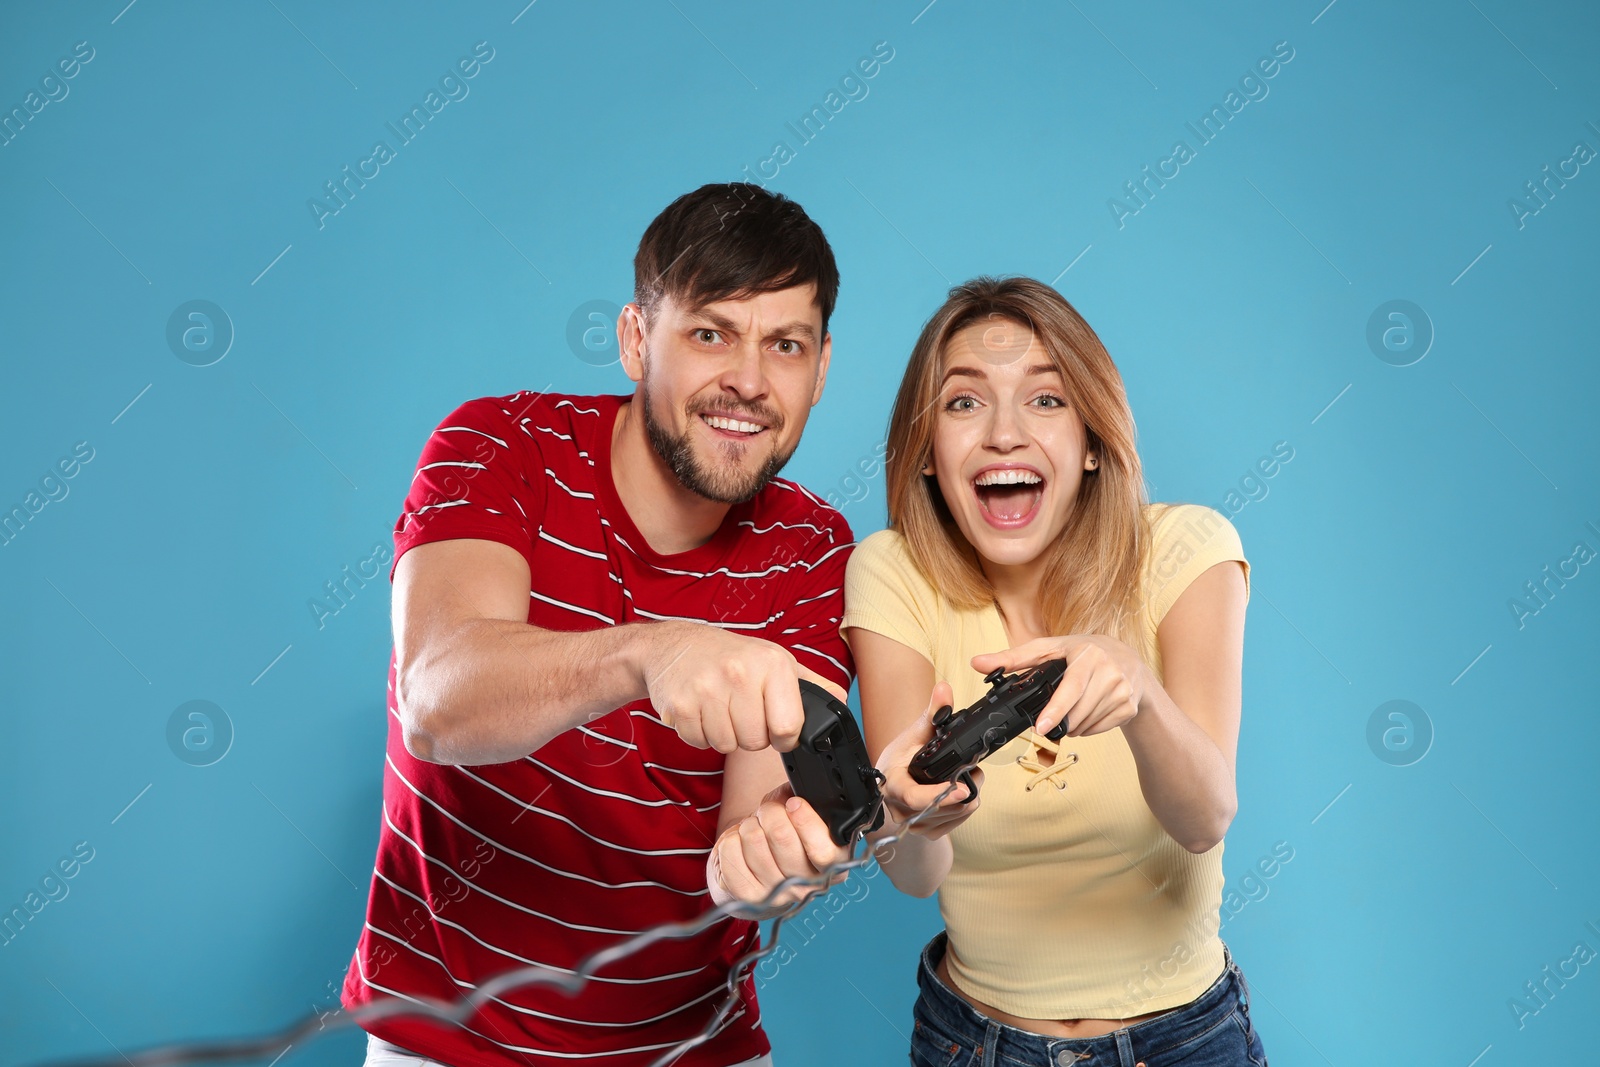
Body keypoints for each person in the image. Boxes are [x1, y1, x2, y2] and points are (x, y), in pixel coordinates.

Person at [342, 182, 859, 1067]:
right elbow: (436, 699)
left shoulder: (813, 548)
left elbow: (746, 846)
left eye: (786, 345)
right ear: (633, 340)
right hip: (447, 1045)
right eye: (711, 332)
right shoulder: (499, 447)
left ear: (820, 370)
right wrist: (651, 650)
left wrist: (775, 865)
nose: (749, 378)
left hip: (695, 1047)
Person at [847, 276, 1270, 1065]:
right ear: (929, 453)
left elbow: (1207, 815)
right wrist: (911, 812)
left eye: (1045, 400)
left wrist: (1139, 695)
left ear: (1093, 441)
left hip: (1182, 1041)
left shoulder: (1187, 552)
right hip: (973, 1042)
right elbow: (913, 872)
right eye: (963, 402)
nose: (1004, 434)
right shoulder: (892, 571)